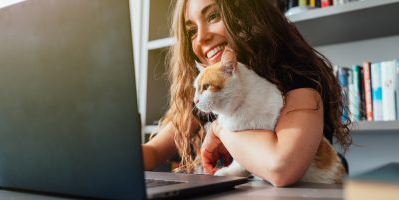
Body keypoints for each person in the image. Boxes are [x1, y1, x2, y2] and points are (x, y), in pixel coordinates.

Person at [142, 0, 352, 187]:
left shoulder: (298, 79)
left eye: (213, 16)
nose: (201, 38)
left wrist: (219, 129)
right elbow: (152, 152)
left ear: (246, 13)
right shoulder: (215, 92)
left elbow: (281, 168)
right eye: (191, 31)